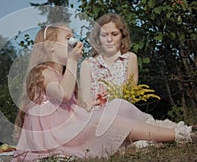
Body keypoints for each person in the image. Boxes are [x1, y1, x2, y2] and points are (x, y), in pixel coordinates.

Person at [11, 23, 192, 162]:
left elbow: (69, 106)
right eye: (67, 38)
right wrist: (73, 60)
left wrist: (91, 105)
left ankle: (163, 129)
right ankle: (180, 135)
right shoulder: (43, 72)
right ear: (50, 47)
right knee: (111, 122)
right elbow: (63, 95)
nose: (73, 41)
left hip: (70, 128)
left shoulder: (63, 73)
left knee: (117, 105)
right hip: (56, 137)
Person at [79, 13, 195, 150]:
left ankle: (182, 133)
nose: (109, 39)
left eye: (114, 34)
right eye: (104, 35)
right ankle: (180, 134)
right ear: (97, 38)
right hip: (100, 121)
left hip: (125, 114)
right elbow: (85, 104)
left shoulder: (130, 58)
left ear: (122, 36)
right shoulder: (88, 64)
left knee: (126, 110)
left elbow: (130, 96)